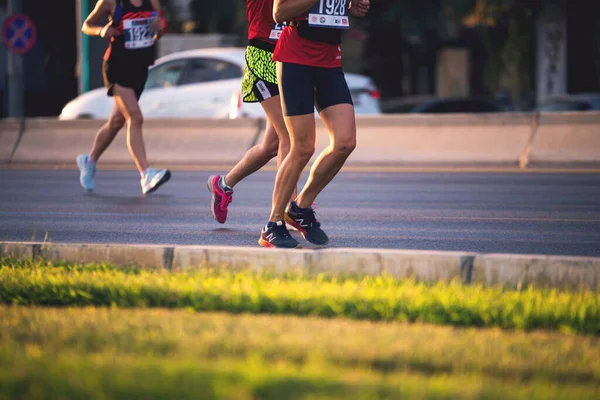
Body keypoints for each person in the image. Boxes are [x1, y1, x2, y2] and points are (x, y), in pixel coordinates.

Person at [258, 0, 370, 248]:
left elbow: (329, 11)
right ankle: (272, 225)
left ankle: (300, 208)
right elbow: (279, 13)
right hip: (295, 59)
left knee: (345, 143)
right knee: (302, 147)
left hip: (329, 60)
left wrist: (350, 9)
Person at [207, 0, 297, 237]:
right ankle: (290, 207)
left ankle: (223, 184)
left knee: (271, 146)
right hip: (262, 57)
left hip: (288, 56)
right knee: (289, 135)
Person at [77, 0, 171, 195]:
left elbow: (159, 29)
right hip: (117, 67)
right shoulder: (111, 2)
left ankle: (90, 160)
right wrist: (101, 31)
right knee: (135, 118)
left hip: (140, 68)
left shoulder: (151, 1)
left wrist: (158, 28)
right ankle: (146, 175)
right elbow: (86, 26)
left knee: (116, 122)